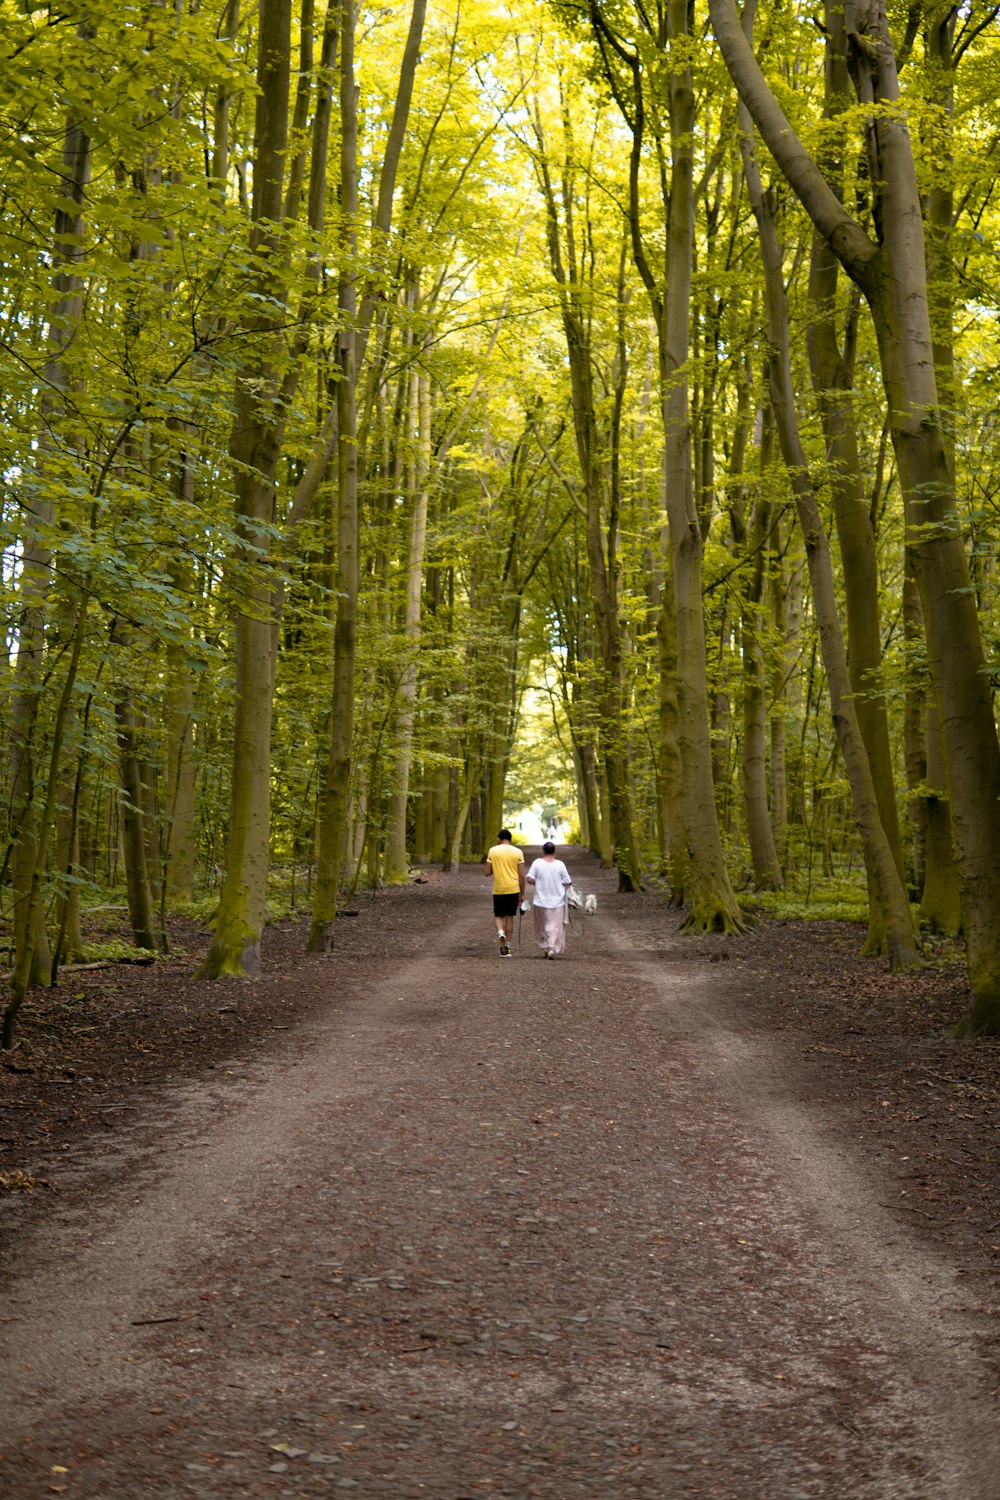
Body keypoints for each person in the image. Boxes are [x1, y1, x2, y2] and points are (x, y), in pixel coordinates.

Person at [525, 841, 572, 959]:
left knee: (541, 924)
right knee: (555, 925)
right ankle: (552, 947)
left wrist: (537, 882)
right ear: (554, 851)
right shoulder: (560, 864)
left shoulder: (537, 863)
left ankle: (546, 946)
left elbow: (529, 879)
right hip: (557, 901)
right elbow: (567, 881)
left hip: (540, 900)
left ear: (543, 850)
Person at [485, 829, 525, 957]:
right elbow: (522, 876)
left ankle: (500, 932)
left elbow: (487, 872)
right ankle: (506, 949)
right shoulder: (518, 852)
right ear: (510, 839)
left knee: (498, 916)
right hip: (513, 888)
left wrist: (496, 868)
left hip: (499, 888)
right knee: (509, 917)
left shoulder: (493, 851)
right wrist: (522, 893)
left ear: (498, 839)